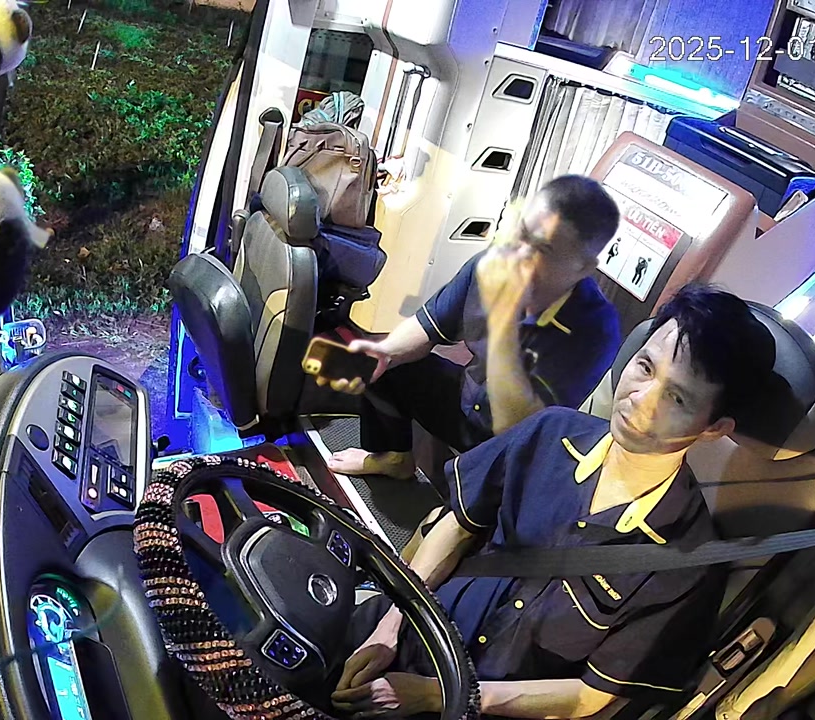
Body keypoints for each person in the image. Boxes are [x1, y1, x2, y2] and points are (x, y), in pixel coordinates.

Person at [331, 284, 777, 719]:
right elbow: (457, 525)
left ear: (713, 428)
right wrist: (390, 626)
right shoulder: (550, 433)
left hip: (484, 703)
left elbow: (590, 696)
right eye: (645, 367)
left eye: (676, 397)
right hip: (418, 624)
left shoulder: (687, 564)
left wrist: (436, 695)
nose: (641, 401)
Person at [324, 175, 623, 481]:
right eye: (522, 234)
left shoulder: (596, 331)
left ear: (584, 268)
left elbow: (518, 425)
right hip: (469, 403)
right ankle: (394, 458)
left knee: (476, 492)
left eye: (543, 250)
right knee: (388, 365)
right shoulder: (488, 264)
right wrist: (384, 353)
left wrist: (505, 321)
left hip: (516, 448)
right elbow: (429, 326)